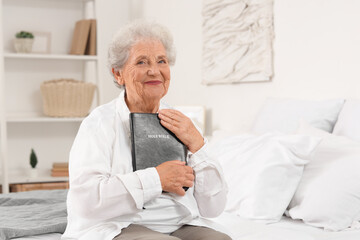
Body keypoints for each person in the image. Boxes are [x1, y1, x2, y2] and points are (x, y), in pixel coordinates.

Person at [61, 20, 231, 240]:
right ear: (118, 74)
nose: (154, 70)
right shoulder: (98, 123)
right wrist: (157, 179)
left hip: (181, 223)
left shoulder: (184, 124)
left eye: (162, 61)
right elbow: (87, 201)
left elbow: (213, 208)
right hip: (121, 224)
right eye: (141, 62)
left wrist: (198, 145)